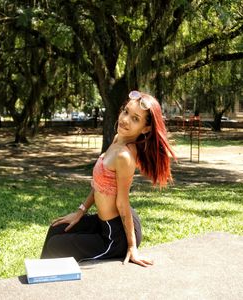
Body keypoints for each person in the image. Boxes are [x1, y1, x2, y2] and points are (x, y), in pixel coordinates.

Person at [41, 90, 176, 267]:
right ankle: (39, 276)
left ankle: (42, 285)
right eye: (126, 111)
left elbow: (122, 203)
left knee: (56, 246)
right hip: (103, 221)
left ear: (146, 128)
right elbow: (100, 184)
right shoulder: (117, 139)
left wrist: (132, 247)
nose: (125, 119)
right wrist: (80, 212)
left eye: (135, 119)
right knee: (56, 229)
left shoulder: (124, 157)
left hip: (115, 235)